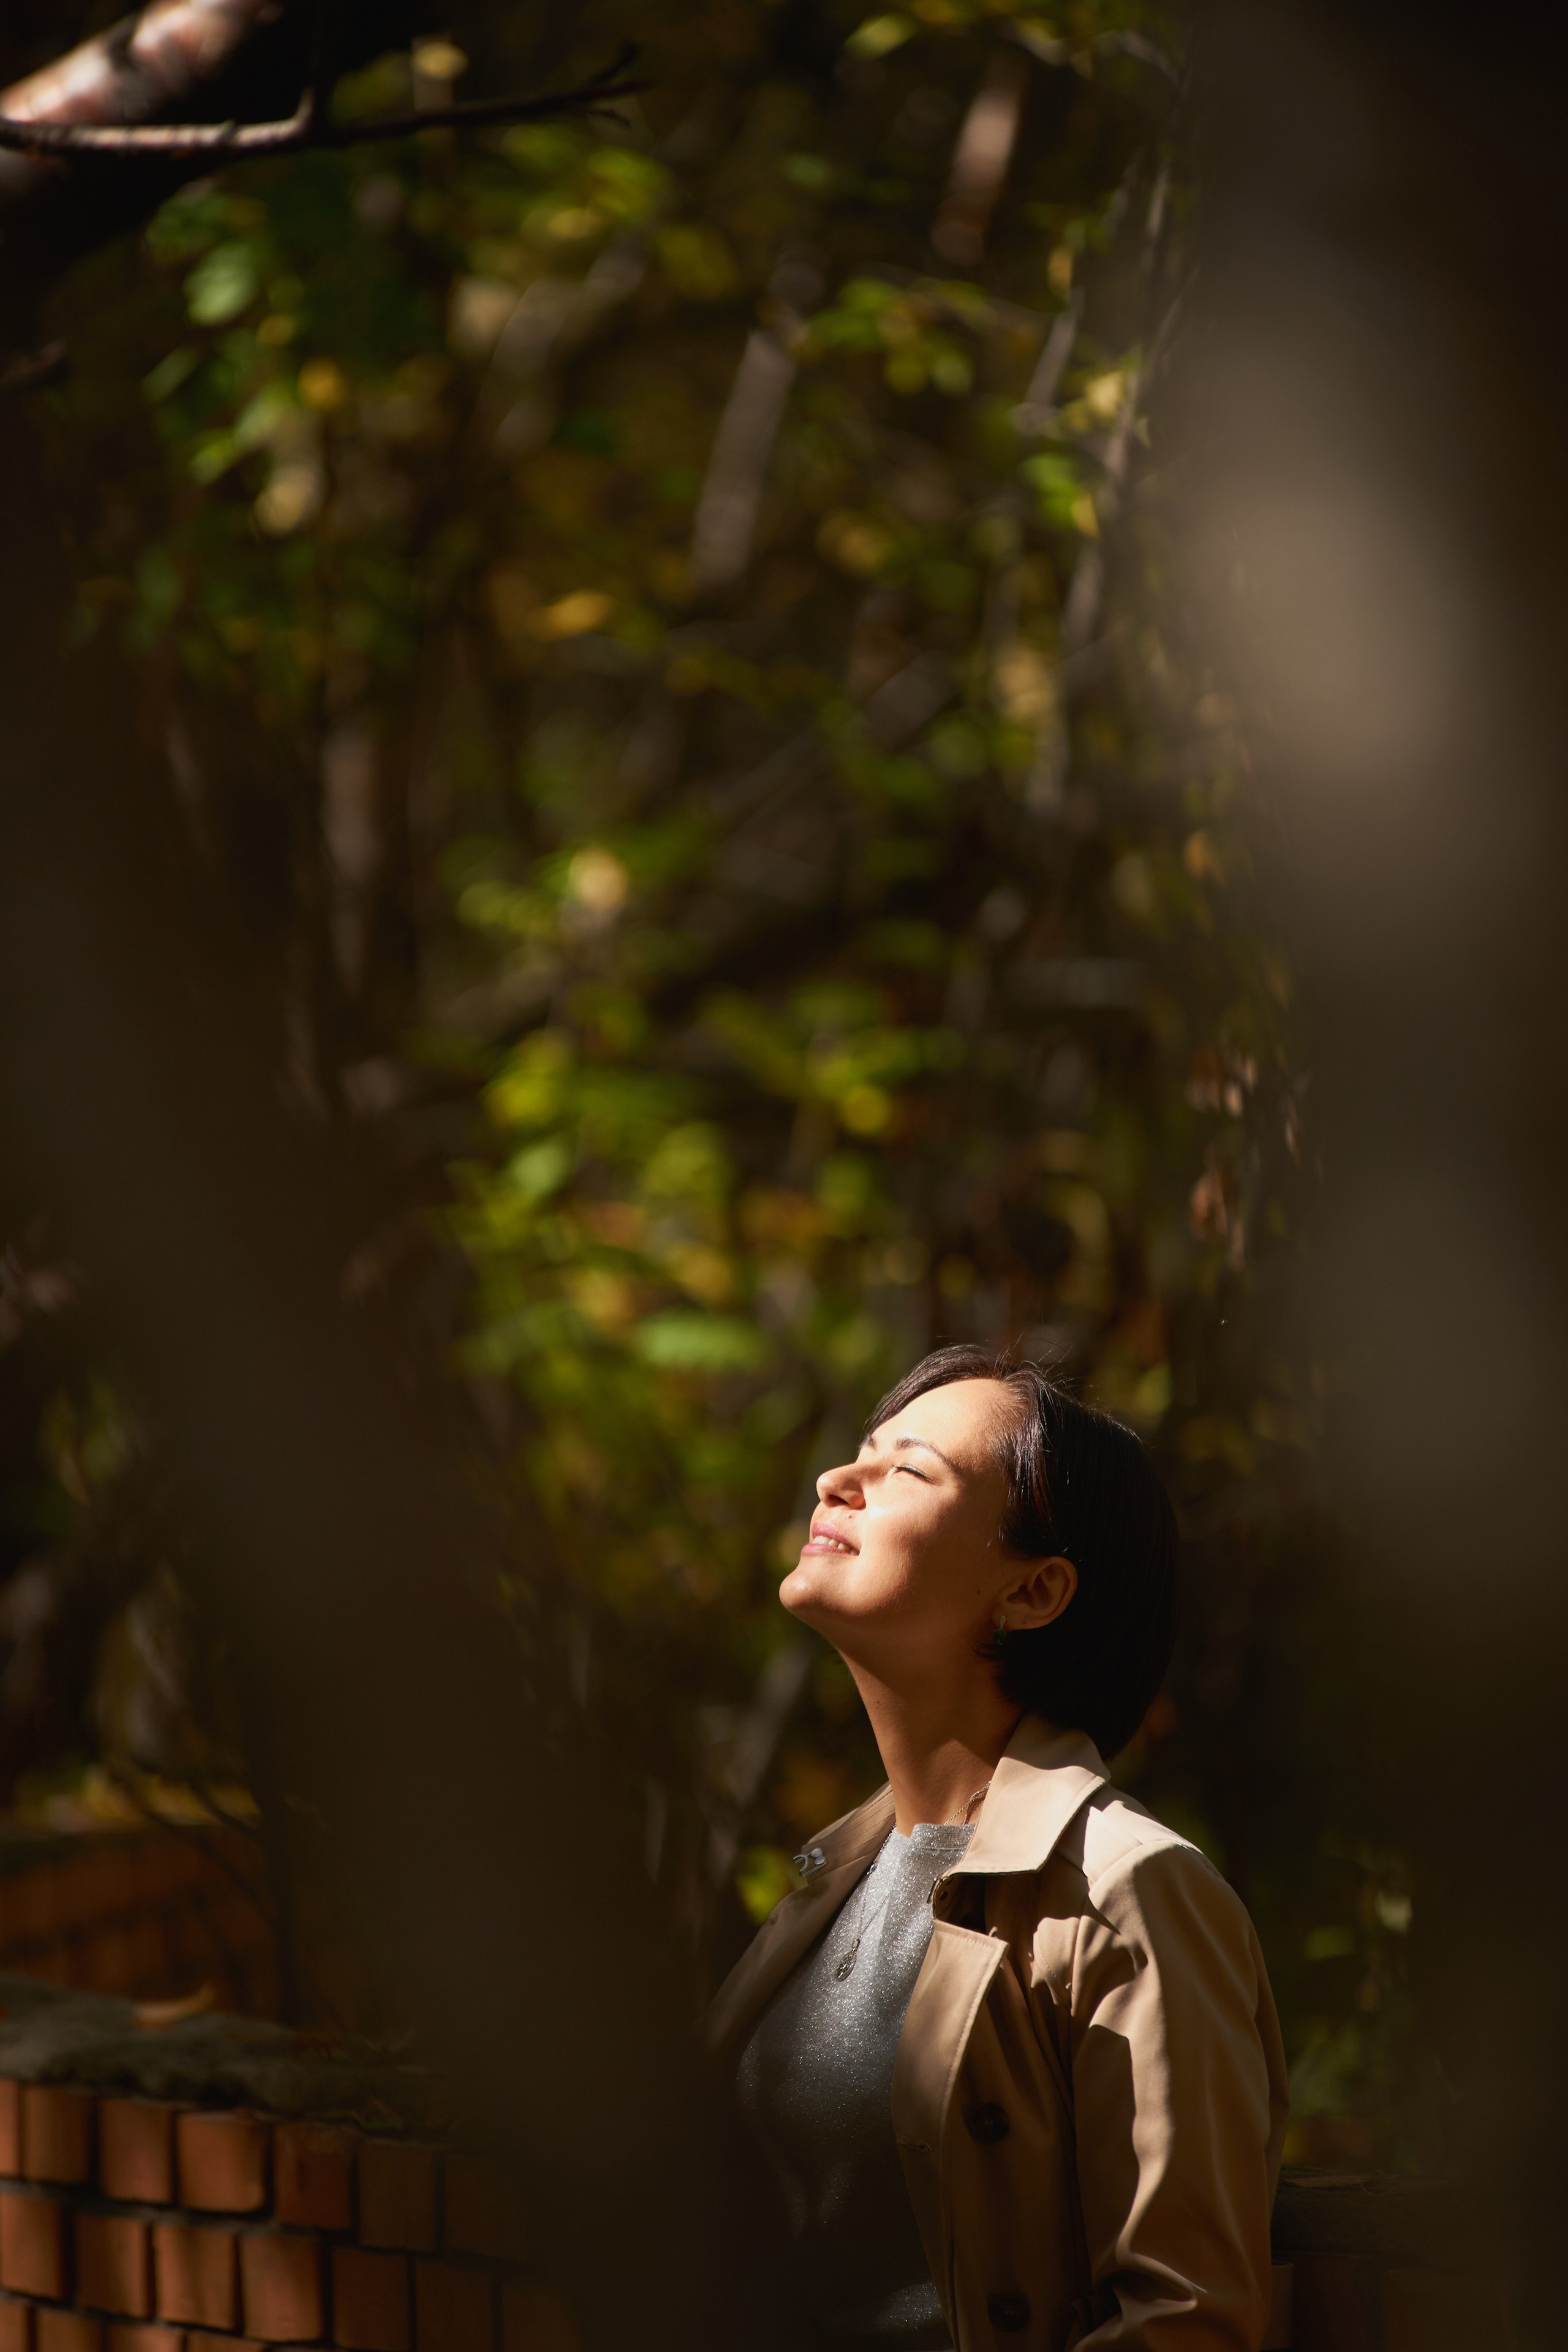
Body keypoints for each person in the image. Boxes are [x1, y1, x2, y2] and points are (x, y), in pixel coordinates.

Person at [706, 1346, 1289, 2352]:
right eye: (861, 1453)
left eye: (909, 1471)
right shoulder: (830, 1877)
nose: (835, 1483)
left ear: (1033, 1593)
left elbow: (1187, 2322)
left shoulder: (1128, 1892)